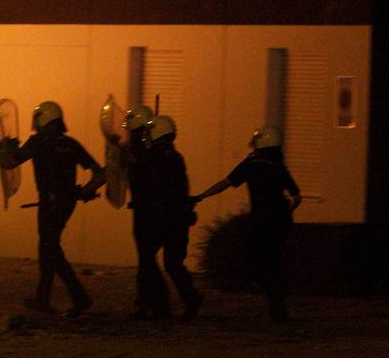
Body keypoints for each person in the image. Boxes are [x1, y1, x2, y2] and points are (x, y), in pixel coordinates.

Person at [0, 101, 105, 317]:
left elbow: (10, 163)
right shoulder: (71, 144)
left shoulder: (38, 143)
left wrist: (4, 146)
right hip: (67, 202)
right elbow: (101, 173)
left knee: (50, 249)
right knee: (48, 248)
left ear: (44, 120)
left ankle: (79, 297)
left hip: (49, 203)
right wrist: (85, 191)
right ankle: (43, 298)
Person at [192, 125, 301, 322]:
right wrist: (288, 212)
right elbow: (296, 196)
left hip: (261, 221)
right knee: (275, 260)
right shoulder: (278, 165)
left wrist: (202, 196)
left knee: (258, 261)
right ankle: (278, 302)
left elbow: (226, 183)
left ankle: (274, 299)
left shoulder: (252, 164)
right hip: (280, 221)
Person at [131, 115, 203, 320]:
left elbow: (145, 183)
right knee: (173, 263)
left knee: (147, 259)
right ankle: (191, 298)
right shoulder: (176, 156)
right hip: (178, 217)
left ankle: (159, 304)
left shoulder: (151, 156)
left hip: (159, 217)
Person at [120, 105, 169, 318]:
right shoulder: (148, 145)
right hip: (147, 207)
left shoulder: (140, 147)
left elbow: (130, 164)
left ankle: (155, 302)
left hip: (147, 209)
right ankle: (148, 300)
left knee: (146, 257)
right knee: (146, 257)